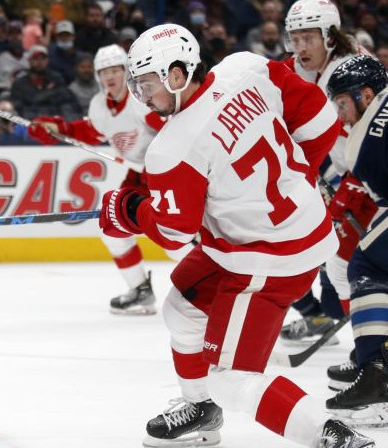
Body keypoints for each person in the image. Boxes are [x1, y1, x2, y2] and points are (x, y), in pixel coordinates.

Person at [103, 23, 372, 447]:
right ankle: (201, 411)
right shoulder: (246, 68)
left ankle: (330, 436)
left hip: (269, 255)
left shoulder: (172, 147)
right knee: (182, 307)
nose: (144, 96)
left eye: (149, 84)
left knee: (233, 380)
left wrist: (128, 209)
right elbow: (321, 122)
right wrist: (294, 179)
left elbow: (174, 232)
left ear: (178, 74)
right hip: (285, 232)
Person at [27, 44, 170, 315]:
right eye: (104, 71)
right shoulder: (99, 105)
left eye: (115, 69)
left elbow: (173, 131)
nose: (110, 76)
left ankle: (211, 284)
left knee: (177, 240)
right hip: (136, 175)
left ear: (126, 71)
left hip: (164, 173)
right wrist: (58, 129)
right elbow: (93, 132)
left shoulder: (142, 100)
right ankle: (140, 290)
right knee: (113, 227)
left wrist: (159, 166)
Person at [279, 0, 369, 349]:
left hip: (365, 178)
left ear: (330, 37)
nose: (300, 47)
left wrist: (334, 180)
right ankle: (359, 338)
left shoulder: (350, 73)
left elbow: (361, 142)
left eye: (308, 38)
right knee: (328, 260)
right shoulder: (316, 66)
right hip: (344, 177)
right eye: (294, 38)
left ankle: (373, 351)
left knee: (343, 266)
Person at [323, 55, 388, 427]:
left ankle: (375, 372)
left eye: (344, 104)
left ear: (366, 94)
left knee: (366, 263)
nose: (342, 116)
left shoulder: (362, 145)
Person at [9, 45, 81, 122]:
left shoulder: (56, 78)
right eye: (36, 59)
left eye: (43, 59)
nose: (39, 62)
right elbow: (17, 105)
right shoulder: (19, 83)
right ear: (29, 61)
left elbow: (65, 98)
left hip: (54, 118)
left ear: (47, 60)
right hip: (29, 121)